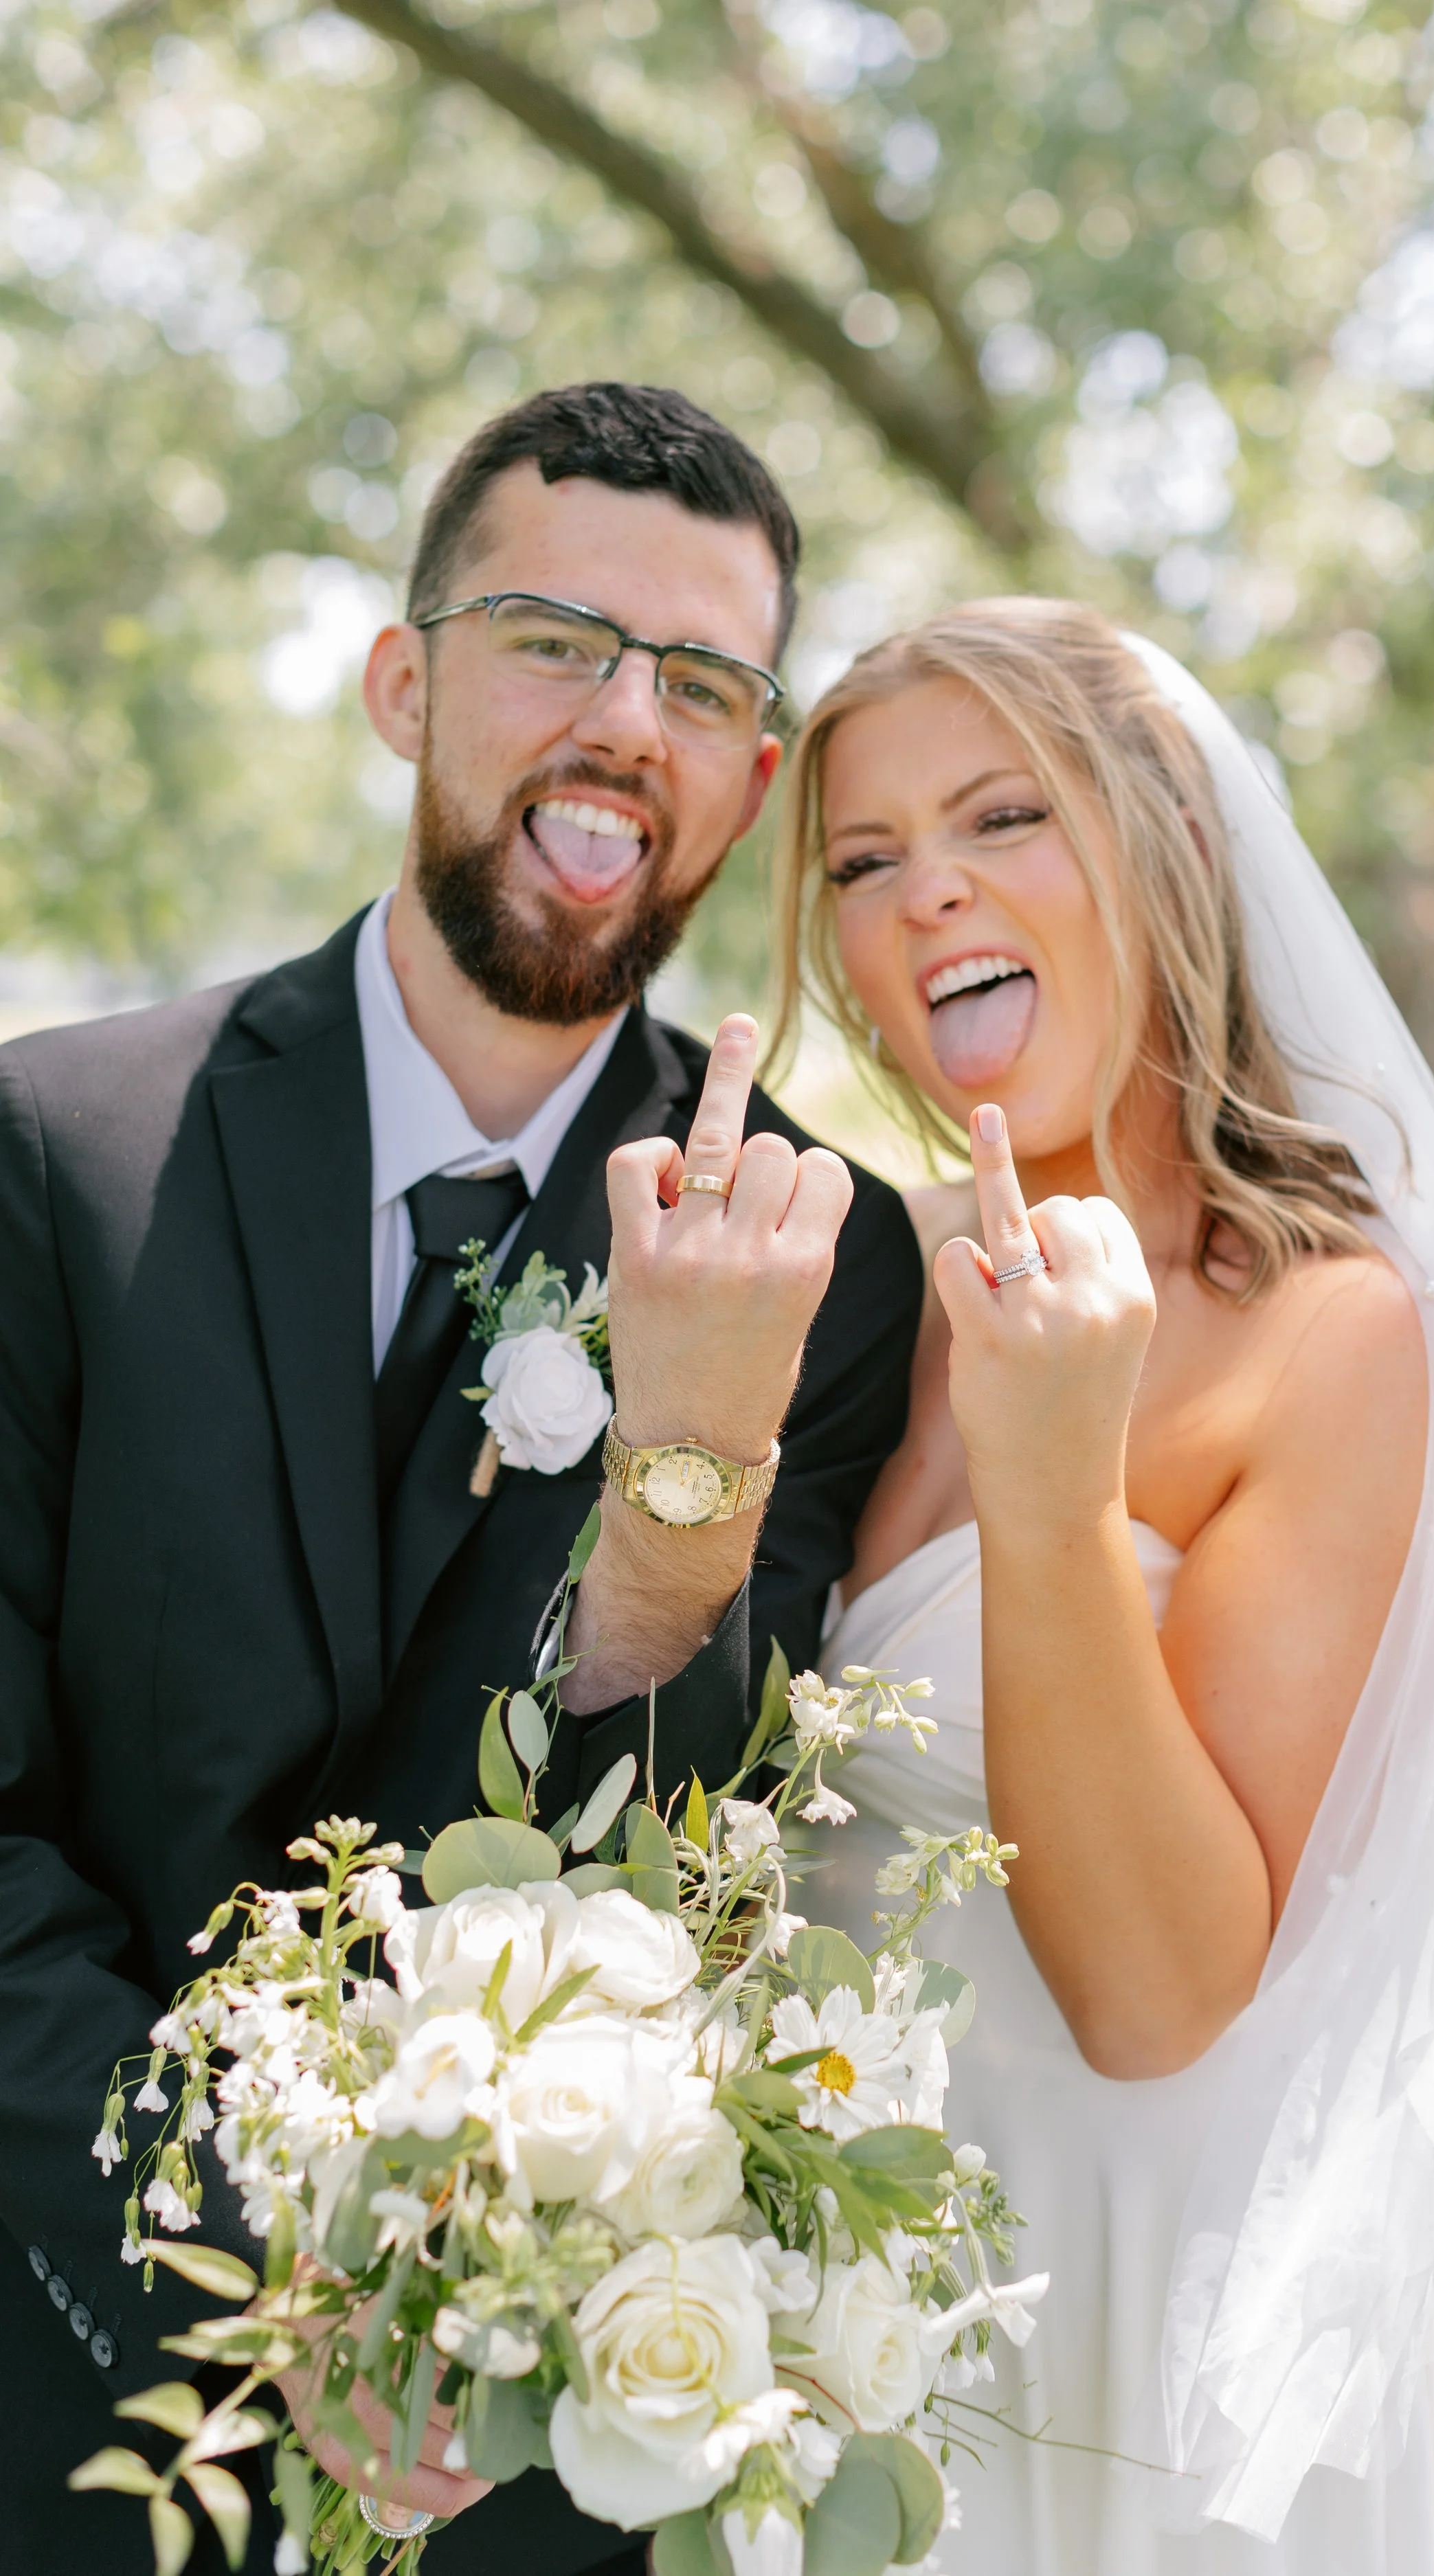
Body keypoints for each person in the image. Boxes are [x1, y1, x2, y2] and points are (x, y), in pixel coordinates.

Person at [0, 382, 920, 2576]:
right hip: (78, 2400)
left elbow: (695, 1863)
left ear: (751, 779)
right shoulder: (57, 1153)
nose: (626, 721)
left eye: (700, 681)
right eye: (555, 641)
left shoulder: (824, 1252)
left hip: (530, 2469)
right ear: (403, 684)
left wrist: (688, 1455)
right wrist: (255, 2279)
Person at [770, 599, 1434, 2572]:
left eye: (1003, 814)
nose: (927, 891)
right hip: (831, 2318)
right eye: (864, 858)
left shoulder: (1330, 1338)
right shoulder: (853, 1285)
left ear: (1169, 844)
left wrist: (1051, 1486)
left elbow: (1159, 1994)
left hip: (1141, 2362)